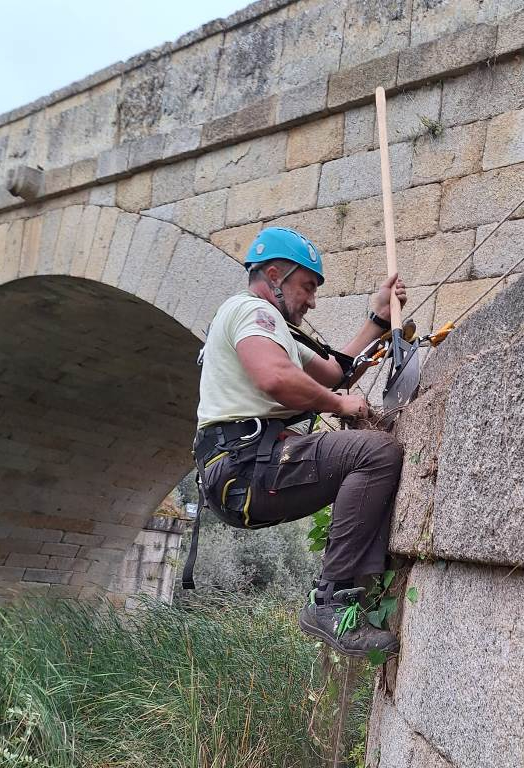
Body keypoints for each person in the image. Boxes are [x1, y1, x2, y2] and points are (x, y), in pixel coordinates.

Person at [192, 226, 406, 658]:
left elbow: (336, 373)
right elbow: (276, 379)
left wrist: (379, 318)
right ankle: (330, 600)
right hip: (248, 464)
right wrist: (340, 406)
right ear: (274, 275)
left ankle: (345, 595)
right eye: (308, 286)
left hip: (248, 469)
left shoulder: (276, 331)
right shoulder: (252, 311)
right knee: (376, 453)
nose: (312, 300)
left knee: (367, 455)